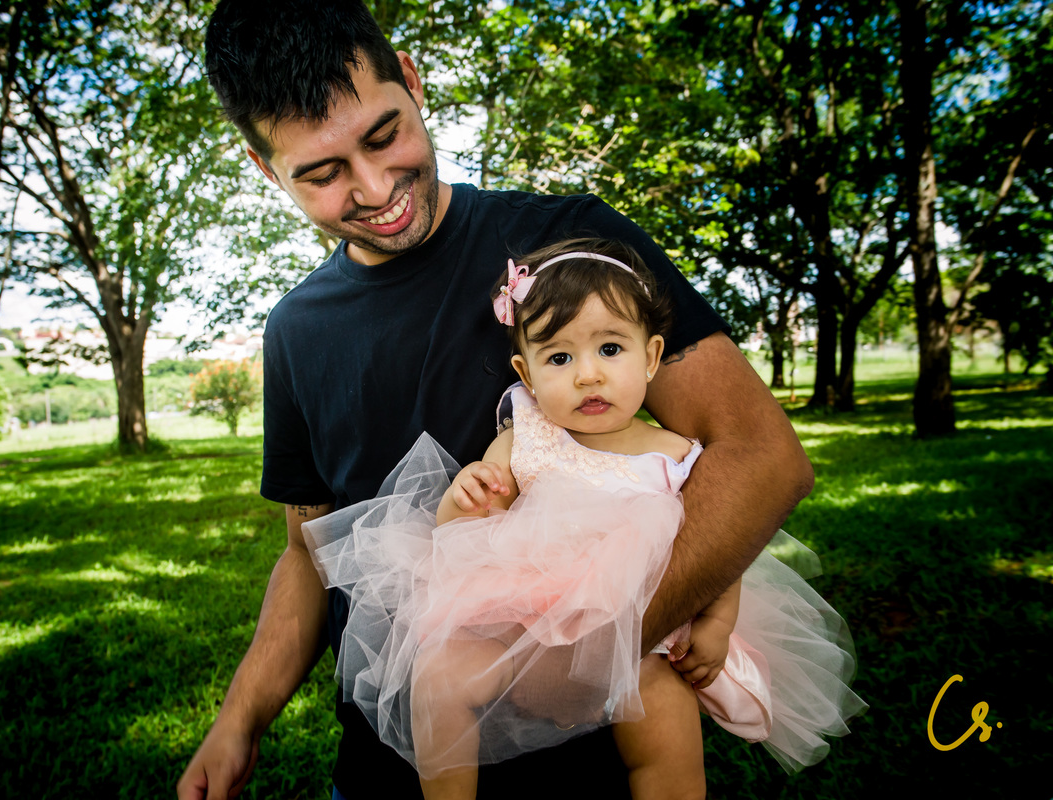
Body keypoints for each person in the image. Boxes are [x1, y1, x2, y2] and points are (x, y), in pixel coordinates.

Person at [179, 2, 815, 798]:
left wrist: (571, 668)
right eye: (322, 172)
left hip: (588, 765)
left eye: (384, 137)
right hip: (386, 772)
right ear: (263, 166)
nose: (375, 189)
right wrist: (239, 719)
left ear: (410, 80)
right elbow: (311, 556)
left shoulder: (576, 243)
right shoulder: (295, 331)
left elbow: (763, 459)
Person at [301, 240, 865, 800]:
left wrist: (715, 627)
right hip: (518, 626)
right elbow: (455, 533)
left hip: (640, 639)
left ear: (651, 356)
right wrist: (468, 495)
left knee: (666, 724)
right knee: (438, 675)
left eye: (611, 349)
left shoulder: (674, 456)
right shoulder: (527, 436)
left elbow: (726, 554)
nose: (588, 376)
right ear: (526, 371)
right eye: (560, 358)